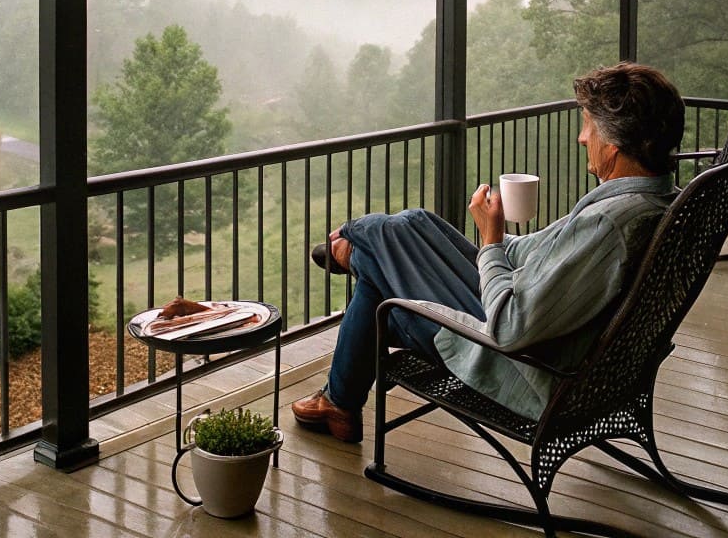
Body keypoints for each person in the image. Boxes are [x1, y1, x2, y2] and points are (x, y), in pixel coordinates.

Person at [291, 62, 685, 443]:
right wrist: (492, 236)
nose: (582, 138)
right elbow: (536, 251)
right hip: (559, 348)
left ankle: (354, 246)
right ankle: (338, 397)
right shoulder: (654, 202)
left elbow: (509, 328)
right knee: (416, 223)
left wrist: (492, 241)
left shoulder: (609, 224)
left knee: (380, 257)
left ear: (613, 145)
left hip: (521, 367)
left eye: (588, 126)